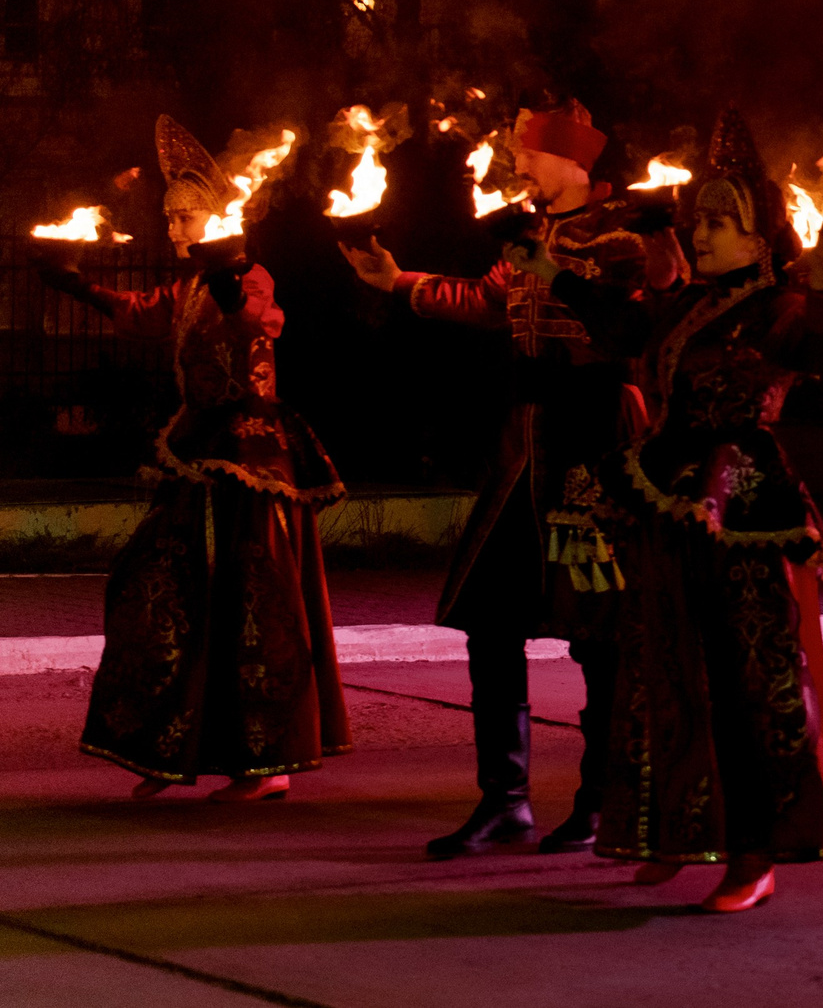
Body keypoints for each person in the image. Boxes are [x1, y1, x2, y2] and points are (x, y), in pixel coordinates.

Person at [341, 100, 677, 857]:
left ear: (568, 161)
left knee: (600, 636)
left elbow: (637, 321)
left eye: (528, 154)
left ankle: (601, 798)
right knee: (490, 623)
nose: (517, 166)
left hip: (593, 441)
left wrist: (554, 273)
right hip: (524, 449)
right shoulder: (531, 231)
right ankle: (506, 799)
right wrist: (399, 281)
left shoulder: (624, 234)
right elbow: (491, 299)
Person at [538, 108, 823, 913]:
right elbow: (627, 329)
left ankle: (755, 849)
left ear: (758, 237)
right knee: (670, 671)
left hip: (741, 503)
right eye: (698, 218)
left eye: (719, 221)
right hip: (671, 498)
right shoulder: (688, 304)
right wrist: (553, 276)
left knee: (746, 679)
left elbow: (822, 355)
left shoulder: (778, 305)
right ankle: (679, 827)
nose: (701, 231)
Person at [36, 116, 348, 799]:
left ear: (219, 216)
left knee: (248, 607)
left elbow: (255, 320)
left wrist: (233, 276)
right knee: (157, 591)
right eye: (170, 214)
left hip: (252, 468)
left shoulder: (247, 275)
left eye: (186, 214)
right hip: (197, 460)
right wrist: (72, 283)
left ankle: (264, 765)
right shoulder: (188, 286)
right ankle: (170, 743)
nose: (174, 226)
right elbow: (139, 310)